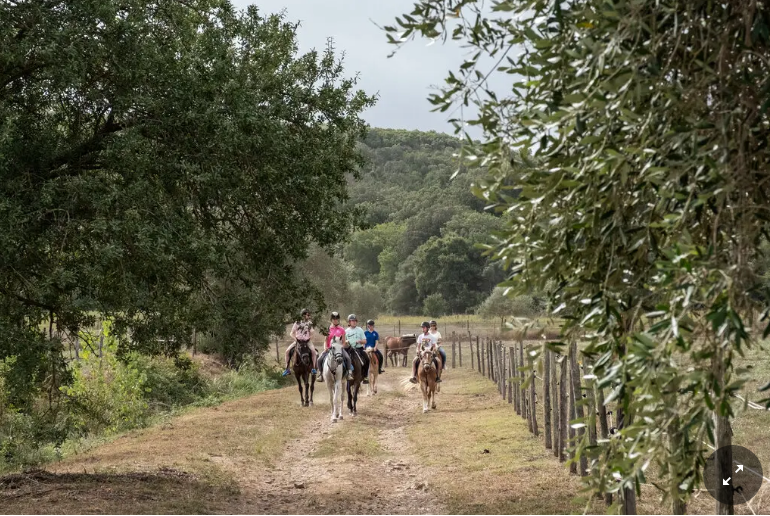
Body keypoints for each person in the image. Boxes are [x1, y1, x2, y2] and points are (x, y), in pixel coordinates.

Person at [316, 312, 354, 382]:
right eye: (334, 319)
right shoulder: (327, 329)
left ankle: (348, 373)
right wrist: (325, 348)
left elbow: (343, 341)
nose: (335, 320)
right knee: (319, 359)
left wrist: (341, 347)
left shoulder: (342, 329)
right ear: (331, 320)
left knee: (348, 358)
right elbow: (325, 340)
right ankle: (321, 374)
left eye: (337, 319)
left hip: (339, 349)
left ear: (338, 320)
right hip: (329, 349)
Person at [282, 308, 318, 377]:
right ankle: (287, 369)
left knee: (313, 351)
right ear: (303, 315)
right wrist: (295, 339)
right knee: (287, 351)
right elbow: (291, 333)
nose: (309, 316)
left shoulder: (309, 323)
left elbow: (312, 333)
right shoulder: (297, 323)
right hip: (298, 341)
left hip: (307, 341)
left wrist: (309, 338)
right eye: (308, 315)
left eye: (309, 315)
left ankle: (313, 368)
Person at [345, 314, 370, 384]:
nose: (354, 322)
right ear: (349, 322)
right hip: (349, 349)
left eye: (355, 321)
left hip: (358, 348)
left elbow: (365, 341)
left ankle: (365, 376)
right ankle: (342, 375)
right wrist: (346, 342)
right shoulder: (346, 331)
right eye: (353, 321)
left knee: (367, 359)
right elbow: (343, 342)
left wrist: (360, 341)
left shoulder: (360, 330)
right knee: (341, 359)